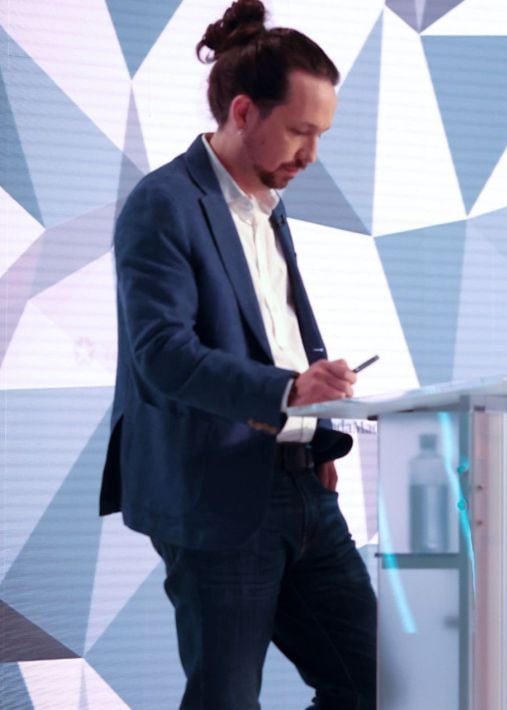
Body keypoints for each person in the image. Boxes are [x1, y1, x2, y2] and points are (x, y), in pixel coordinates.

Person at [98, 1, 376, 706]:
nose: (311, 154)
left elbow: (270, 331)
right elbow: (161, 355)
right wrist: (288, 391)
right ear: (245, 112)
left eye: (322, 134)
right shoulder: (164, 203)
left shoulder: (266, 207)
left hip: (304, 491)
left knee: (377, 684)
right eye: (300, 131)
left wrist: (316, 429)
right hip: (215, 497)